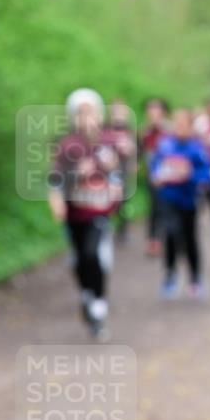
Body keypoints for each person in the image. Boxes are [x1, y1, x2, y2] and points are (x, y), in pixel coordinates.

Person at [48, 88, 122, 341]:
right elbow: (56, 179)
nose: (86, 118)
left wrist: (115, 177)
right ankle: (87, 296)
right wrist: (58, 197)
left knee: (95, 255)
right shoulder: (67, 145)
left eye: (90, 112)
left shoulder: (109, 141)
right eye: (81, 113)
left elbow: (118, 174)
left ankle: (99, 308)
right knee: (79, 260)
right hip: (75, 211)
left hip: (99, 212)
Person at [149, 108, 210, 299]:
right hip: (168, 199)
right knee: (170, 234)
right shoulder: (164, 145)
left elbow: (208, 175)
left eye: (184, 125)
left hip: (189, 201)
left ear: (191, 127)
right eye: (176, 124)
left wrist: (189, 175)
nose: (179, 128)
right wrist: (156, 176)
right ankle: (170, 276)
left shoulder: (197, 149)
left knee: (190, 239)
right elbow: (155, 166)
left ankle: (195, 279)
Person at [139, 97, 169, 257]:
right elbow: (139, 153)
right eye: (150, 110)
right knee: (154, 207)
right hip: (151, 177)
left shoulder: (169, 131)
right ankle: (153, 239)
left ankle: (161, 238)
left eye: (156, 110)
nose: (153, 113)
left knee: (165, 207)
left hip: (169, 177)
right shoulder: (144, 132)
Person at [104, 98, 137, 244]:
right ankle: (106, 227)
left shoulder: (130, 129)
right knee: (108, 200)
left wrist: (134, 161)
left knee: (123, 201)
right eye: (115, 110)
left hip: (123, 170)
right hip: (107, 171)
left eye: (121, 110)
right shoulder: (105, 128)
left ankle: (123, 230)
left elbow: (137, 149)